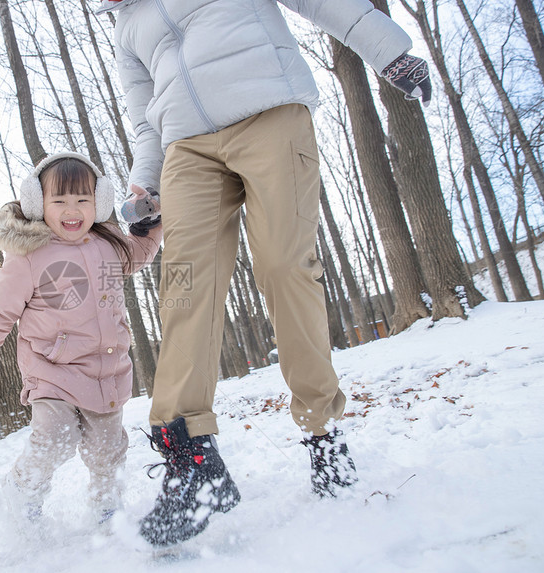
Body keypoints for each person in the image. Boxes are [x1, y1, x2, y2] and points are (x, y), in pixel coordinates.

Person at [95, 0, 433, 546]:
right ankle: (193, 457)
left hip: (268, 108)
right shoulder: (126, 22)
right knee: (182, 287)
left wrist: (387, 48)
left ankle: (322, 429)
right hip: (186, 146)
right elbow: (143, 111)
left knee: (283, 266)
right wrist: (146, 179)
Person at [0, 153, 162, 526]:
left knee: (108, 450)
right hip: (51, 371)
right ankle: (25, 490)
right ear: (38, 204)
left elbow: (141, 253)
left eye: (83, 200)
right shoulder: (28, 255)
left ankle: (107, 508)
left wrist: (149, 225)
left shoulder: (109, 244)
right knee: (56, 436)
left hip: (106, 370)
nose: (72, 209)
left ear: (98, 202)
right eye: (60, 200)